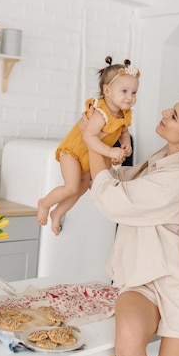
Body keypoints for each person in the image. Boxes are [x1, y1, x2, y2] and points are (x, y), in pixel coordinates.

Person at [85, 94, 179, 356]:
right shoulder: (162, 159)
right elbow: (117, 184)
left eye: (174, 115)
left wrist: (92, 138)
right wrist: (98, 143)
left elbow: (114, 201)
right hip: (141, 280)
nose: (164, 111)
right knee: (127, 339)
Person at [37, 56, 141, 235]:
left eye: (134, 93)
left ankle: (58, 212)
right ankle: (44, 203)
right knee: (71, 187)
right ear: (107, 90)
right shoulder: (100, 113)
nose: (129, 97)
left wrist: (125, 145)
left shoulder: (124, 114)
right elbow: (89, 135)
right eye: (124, 91)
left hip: (87, 158)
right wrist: (109, 151)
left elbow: (124, 132)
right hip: (73, 153)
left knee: (81, 188)